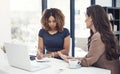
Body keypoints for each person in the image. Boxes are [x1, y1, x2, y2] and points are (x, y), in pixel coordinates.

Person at [58, 5, 120, 74]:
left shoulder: (98, 36)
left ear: (91, 18)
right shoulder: (101, 34)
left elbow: (87, 62)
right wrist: (71, 58)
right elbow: (89, 58)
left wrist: (70, 60)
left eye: (86, 17)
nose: (85, 20)